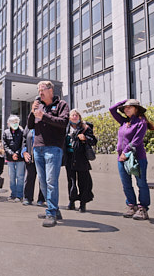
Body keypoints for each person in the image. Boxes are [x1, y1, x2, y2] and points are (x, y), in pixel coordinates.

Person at [28, 80, 69, 227]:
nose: (40, 93)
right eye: (38, 90)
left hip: (53, 148)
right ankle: (54, 209)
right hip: (37, 147)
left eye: (43, 89)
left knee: (51, 182)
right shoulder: (39, 105)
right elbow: (30, 125)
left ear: (51, 90)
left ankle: (51, 213)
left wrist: (44, 116)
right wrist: (33, 112)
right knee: (43, 182)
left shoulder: (61, 105)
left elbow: (63, 122)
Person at [110, 99, 154, 220]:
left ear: (136, 108)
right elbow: (112, 110)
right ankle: (131, 206)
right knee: (126, 184)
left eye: (130, 107)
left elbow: (137, 140)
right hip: (122, 158)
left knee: (141, 183)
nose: (126, 109)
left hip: (137, 158)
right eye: (125, 108)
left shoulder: (141, 122)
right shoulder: (124, 121)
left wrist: (126, 151)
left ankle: (143, 208)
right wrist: (125, 100)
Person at [64, 109, 97, 213]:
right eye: (73, 115)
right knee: (71, 181)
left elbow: (94, 141)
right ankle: (72, 201)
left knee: (83, 181)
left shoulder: (85, 127)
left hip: (81, 158)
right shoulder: (65, 127)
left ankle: (83, 204)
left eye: (76, 115)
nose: (74, 117)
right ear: (69, 117)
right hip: (69, 157)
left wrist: (85, 138)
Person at [2, 115, 25, 202]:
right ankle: (13, 194)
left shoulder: (22, 132)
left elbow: (23, 144)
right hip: (10, 158)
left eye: (16, 122)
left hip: (20, 158)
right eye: (13, 122)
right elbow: (5, 145)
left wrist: (17, 153)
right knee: (12, 176)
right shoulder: (6, 132)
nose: (14, 124)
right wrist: (12, 154)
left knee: (20, 176)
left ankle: (19, 195)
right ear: (9, 123)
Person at [21, 126, 45, 206]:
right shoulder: (28, 127)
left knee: (42, 178)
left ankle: (41, 199)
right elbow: (24, 140)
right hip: (30, 156)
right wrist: (24, 152)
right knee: (29, 177)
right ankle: (27, 198)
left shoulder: (45, 124)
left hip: (42, 156)